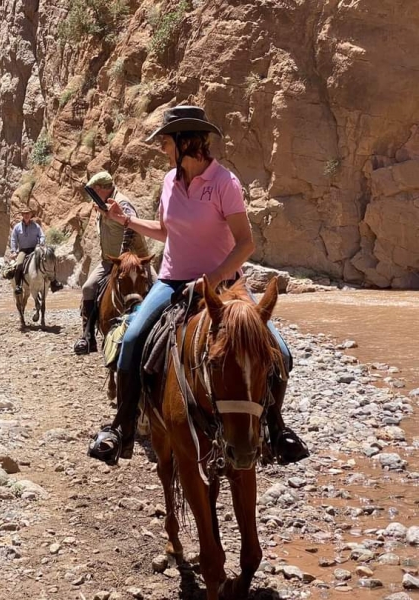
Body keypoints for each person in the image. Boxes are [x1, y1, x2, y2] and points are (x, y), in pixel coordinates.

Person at [87, 105, 309, 466]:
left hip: (223, 286)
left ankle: (275, 428)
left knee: (279, 351)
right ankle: (121, 428)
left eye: (164, 141)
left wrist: (213, 278)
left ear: (183, 141)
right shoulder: (168, 181)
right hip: (172, 279)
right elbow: (164, 232)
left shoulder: (225, 183)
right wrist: (126, 219)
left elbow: (245, 244)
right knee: (130, 340)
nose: (160, 148)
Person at [74, 171, 150, 355]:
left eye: (94, 190)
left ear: (101, 189)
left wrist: (124, 254)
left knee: (156, 286)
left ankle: (155, 335)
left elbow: (131, 226)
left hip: (134, 261)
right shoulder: (103, 204)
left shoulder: (122, 202)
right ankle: (88, 336)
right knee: (88, 288)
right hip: (109, 261)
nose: (92, 194)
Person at [9, 206, 45, 295]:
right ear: (22, 215)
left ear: (31, 214)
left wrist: (40, 243)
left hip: (35, 249)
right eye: (24, 213)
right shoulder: (17, 227)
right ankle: (18, 286)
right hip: (23, 250)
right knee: (19, 265)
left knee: (47, 260)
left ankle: (52, 281)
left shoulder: (36, 226)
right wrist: (13, 251)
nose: (26, 215)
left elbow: (42, 236)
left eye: (28, 213)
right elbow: (13, 239)